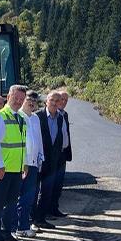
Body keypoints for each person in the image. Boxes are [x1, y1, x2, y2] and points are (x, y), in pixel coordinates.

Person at [0, 85, 29, 241]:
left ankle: (7, 234)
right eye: (16, 98)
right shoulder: (0, 116)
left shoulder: (21, 117)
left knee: (11, 205)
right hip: (3, 170)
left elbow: (22, 144)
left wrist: (24, 163)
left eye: (21, 99)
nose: (19, 102)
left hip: (16, 169)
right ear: (9, 96)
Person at [12, 90, 44, 238]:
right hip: (21, 163)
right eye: (28, 100)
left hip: (33, 163)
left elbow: (38, 140)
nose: (31, 103)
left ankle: (24, 225)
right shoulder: (18, 117)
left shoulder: (36, 118)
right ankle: (20, 227)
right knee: (20, 197)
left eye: (34, 101)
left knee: (29, 197)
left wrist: (40, 158)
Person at [34, 92, 64, 229]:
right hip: (37, 160)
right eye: (52, 99)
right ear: (46, 101)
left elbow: (60, 139)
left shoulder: (60, 118)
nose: (54, 102)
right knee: (32, 191)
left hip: (52, 161)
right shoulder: (37, 116)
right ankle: (30, 219)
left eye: (57, 100)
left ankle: (40, 218)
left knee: (47, 191)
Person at [50, 90, 72, 218]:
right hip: (52, 155)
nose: (63, 102)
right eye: (61, 99)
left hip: (62, 154)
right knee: (49, 184)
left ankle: (55, 208)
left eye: (65, 100)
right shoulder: (47, 115)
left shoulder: (65, 115)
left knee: (58, 183)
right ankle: (46, 211)